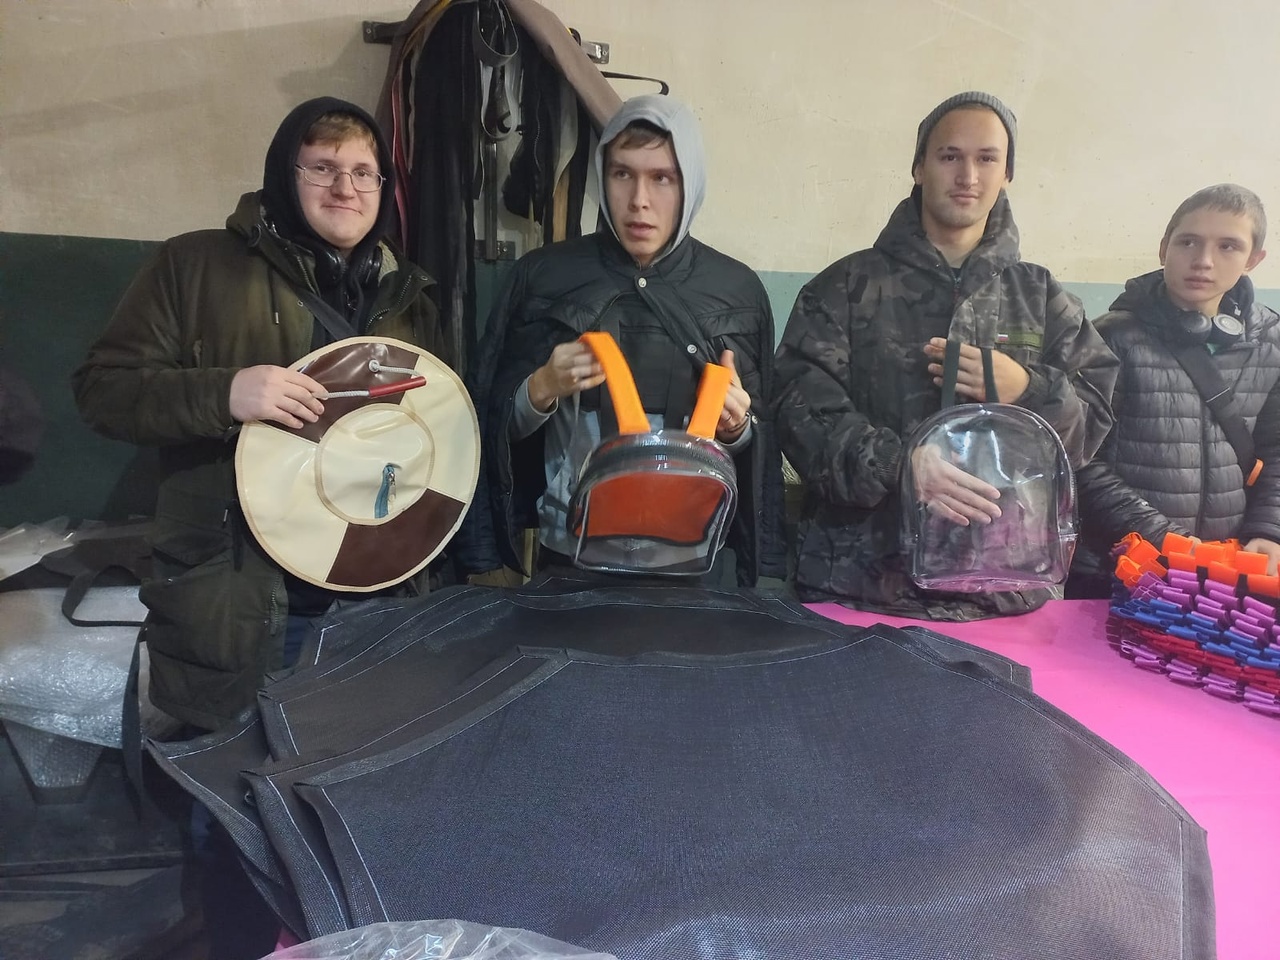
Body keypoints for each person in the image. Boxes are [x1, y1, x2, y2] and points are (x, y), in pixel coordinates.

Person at [73, 97, 448, 731]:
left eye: (363, 172)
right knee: (231, 775)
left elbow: (434, 433)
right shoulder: (193, 266)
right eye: (322, 167)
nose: (345, 188)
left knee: (349, 767)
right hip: (240, 600)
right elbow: (101, 391)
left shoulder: (408, 294)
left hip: (369, 597)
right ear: (283, 173)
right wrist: (224, 393)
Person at [773, 91, 1117, 619]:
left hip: (1004, 590)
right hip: (860, 588)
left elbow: (1091, 425)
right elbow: (797, 408)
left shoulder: (1042, 297)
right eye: (949, 156)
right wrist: (899, 463)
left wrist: (1028, 389)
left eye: (987, 159)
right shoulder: (845, 287)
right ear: (919, 167)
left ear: (1007, 173)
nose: (968, 176)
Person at [458, 94, 785, 584]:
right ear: (602, 175)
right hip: (570, 557)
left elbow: (760, 451)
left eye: (662, 178)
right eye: (622, 174)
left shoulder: (736, 290)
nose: (639, 201)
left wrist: (737, 428)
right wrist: (540, 389)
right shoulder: (544, 277)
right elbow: (489, 424)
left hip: (695, 560)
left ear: (690, 182)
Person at [1070, 184, 1280, 597]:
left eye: (1228, 246)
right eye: (1188, 242)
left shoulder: (1271, 341)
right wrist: (1162, 537)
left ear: (1254, 259)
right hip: (1118, 570)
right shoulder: (1108, 338)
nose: (1203, 261)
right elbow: (1079, 458)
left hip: (1226, 573)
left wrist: (1268, 530)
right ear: (1164, 248)